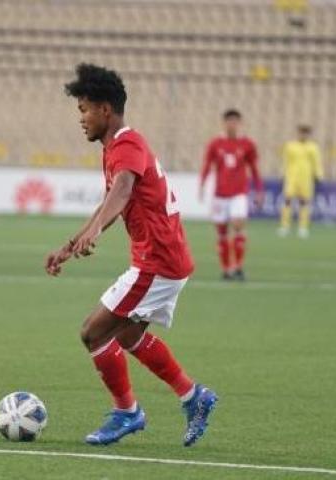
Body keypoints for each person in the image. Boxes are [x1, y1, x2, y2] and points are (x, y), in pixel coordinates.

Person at [46, 64, 217, 447]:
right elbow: (112, 199)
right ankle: (194, 396)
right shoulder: (117, 148)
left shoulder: (127, 144)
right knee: (126, 335)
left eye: (85, 109)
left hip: (157, 262)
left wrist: (93, 234)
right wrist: (71, 245)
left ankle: (127, 412)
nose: (82, 119)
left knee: (93, 332)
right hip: (165, 259)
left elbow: (122, 190)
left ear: (106, 109)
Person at [199, 110, 263, 281]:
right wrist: (202, 185)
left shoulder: (247, 144)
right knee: (221, 232)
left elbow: (255, 169)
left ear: (239, 123)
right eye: (229, 121)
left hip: (239, 193)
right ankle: (226, 269)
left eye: (235, 121)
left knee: (238, 225)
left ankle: (238, 267)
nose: (232, 125)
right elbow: (207, 165)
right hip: (220, 194)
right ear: (224, 123)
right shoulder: (215, 144)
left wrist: (259, 190)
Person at [279, 125, 324, 238]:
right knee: (287, 200)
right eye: (301, 132)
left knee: (304, 202)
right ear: (298, 133)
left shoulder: (313, 147)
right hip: (292, 177)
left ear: (309, 134)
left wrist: (318, 175)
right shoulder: (290, 146)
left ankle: (303, 227)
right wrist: (283, 173)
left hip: (306, 178)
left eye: (306, 133)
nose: (303, 135)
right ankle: (285, 226)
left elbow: (316, 162)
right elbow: (286, 161)